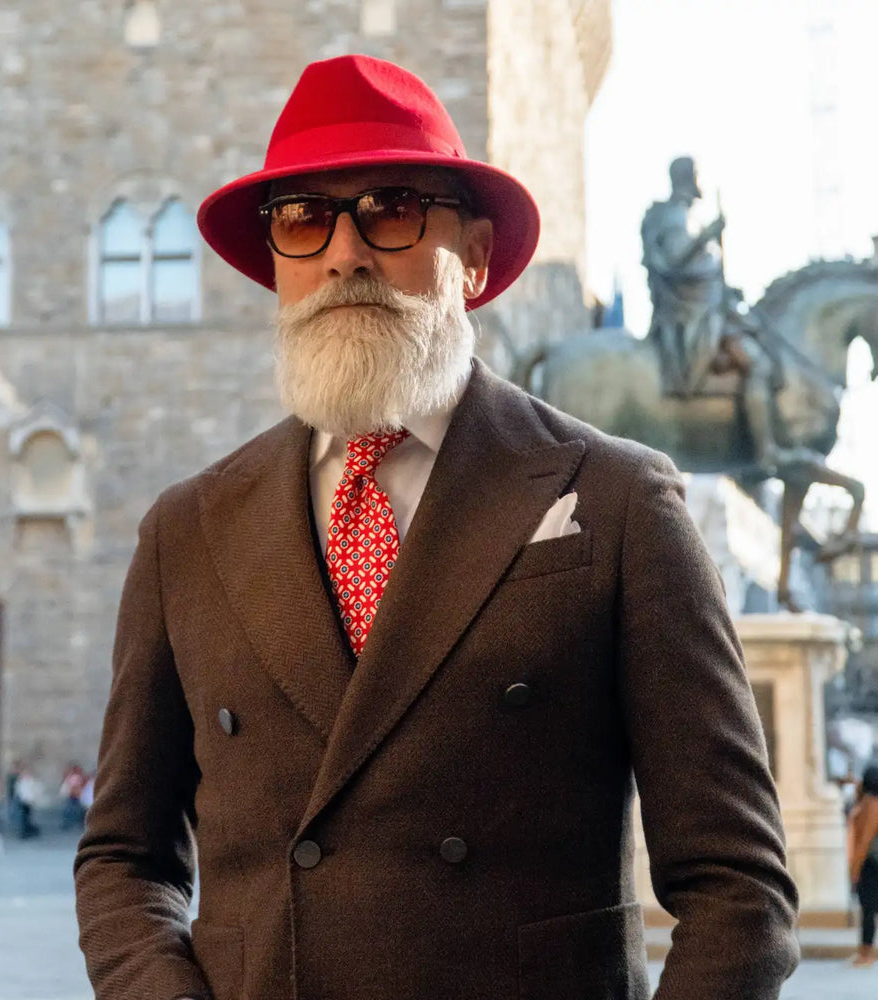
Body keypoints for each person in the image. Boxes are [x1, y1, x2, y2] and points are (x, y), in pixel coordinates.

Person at [75, 55, 799, 1000]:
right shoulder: (186, 531)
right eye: (304, 218)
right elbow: (125, 857)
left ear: (478, 256)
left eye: (393, 207)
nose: (346, 253)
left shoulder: (617, 501)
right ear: (279, 267)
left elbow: (738, 886)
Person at [641, 157, 794, 473]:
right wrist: (706, 235)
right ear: (687, 178)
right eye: (698, 176)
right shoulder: (673, 216)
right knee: (757, 362)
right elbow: (673, 261)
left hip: (713, 303)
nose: (703, 183)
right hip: (691, 309)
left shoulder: (687, 216)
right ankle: (767, 451)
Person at [847, 764, 878, 967]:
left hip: (870, 864)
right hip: (872, 863)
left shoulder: (869, 803)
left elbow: (864, 839)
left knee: (868, 910)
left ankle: (865, 954)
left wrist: (855, 868)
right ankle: (865, 952)